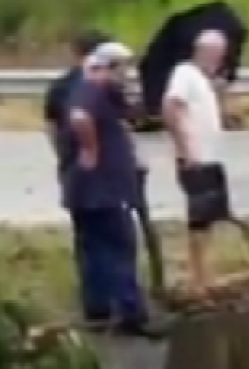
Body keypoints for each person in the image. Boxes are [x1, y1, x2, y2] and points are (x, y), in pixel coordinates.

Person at [62, 41, 156, 335]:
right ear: (107, 67)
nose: (126, 74)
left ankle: (98, 311)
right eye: (122, 68)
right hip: (101, 189)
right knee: (119, 246)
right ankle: (132, 314)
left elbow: (135, 115)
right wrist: (91, 148)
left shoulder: (101, 93)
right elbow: (80, 118)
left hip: (88, 189)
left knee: (94, 249)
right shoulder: (91, 90)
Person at [164, 30, 233, 300]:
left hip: (211, 158)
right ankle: (197, 279)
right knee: (199, 220)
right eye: (217, 55)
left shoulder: (204, 80)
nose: (219, 60)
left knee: (210, 220)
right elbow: (171, 108)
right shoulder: (184, 73)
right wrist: (184, 150)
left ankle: (206, 274)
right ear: (204, 51)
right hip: (197, 159)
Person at [42, 28, 112, 153]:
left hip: (73, 161)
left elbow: (52, 129)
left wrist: (64, 158)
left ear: (75, 52)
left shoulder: (59, 87)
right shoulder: (110, 84)